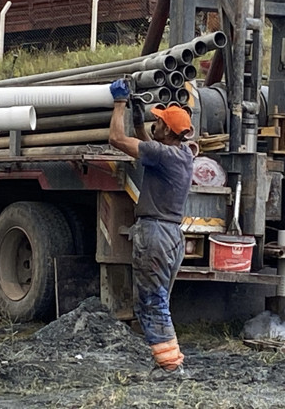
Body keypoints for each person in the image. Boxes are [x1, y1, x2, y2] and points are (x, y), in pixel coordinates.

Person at [107, 79, 194, 374]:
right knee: (157, 299)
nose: (154, 124)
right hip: (171, 236)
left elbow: (117, 140)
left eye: (157, 122)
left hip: (154, 234)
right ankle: (165, 359)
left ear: (168, 131)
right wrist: (139, 117)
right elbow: (150, 145)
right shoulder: (181, 154)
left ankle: (170, 366)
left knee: (153, 301)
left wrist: (119, 104)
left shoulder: (163, 155)